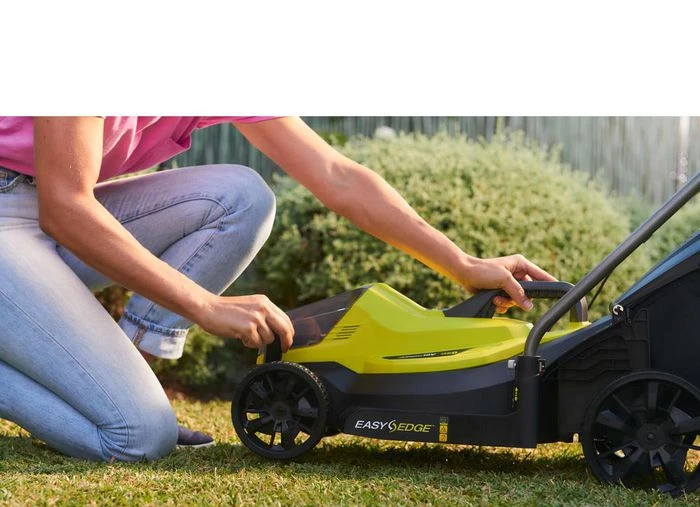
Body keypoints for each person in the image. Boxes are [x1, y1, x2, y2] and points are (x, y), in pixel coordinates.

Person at [0, 116, 555, 462]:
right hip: (30, 214)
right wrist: (205, 306)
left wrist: (462, 264)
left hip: (44, 206)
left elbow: (335, 174)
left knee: (241, 197)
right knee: (136, 436)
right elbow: (67, 209)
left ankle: (131, 371)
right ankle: (126, 403)